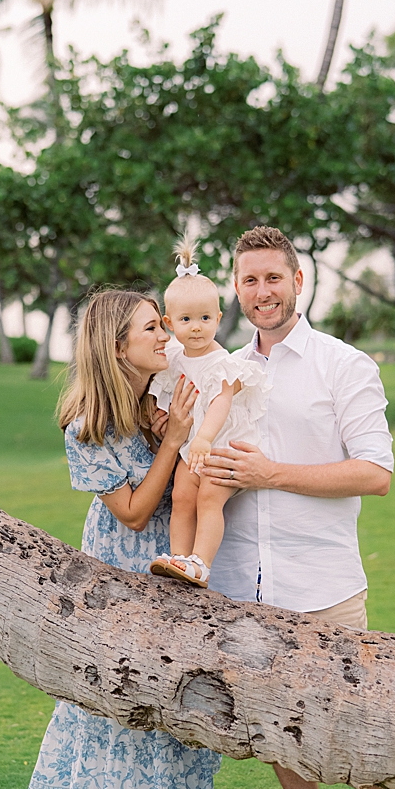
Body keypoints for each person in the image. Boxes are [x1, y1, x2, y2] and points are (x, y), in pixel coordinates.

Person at [198, 225, 395, 789]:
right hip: (244, 580)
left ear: (299, 281)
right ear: (235, 289)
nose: (262, 291)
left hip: (325, 578)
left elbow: (375, 473)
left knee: (357, 717)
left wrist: (272, 473)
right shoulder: (225, 372)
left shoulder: (344, 365)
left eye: (273, 277)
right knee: (275, 724)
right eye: (249, 280)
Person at [23, 288, 243, 789]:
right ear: (117, 346)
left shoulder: (162, 398)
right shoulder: (88, 426)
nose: (166, 334)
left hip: (177, 564)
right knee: (136, 694)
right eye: (152, 329)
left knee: (185, 693)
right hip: (125, 572)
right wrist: (174, 442)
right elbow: (133, 511)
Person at [148, 233, 268, 588]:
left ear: (217, 317)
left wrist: (203, 437)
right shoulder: (173, 359)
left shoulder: (225, 364)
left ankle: (201, 562)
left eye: (204, 318)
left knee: (208, 497)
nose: (196, 327)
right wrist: (158, 415)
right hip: (191, 446)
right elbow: (162, 392)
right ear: (170, 324)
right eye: (186, 320)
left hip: (221, 445)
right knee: (182, 496)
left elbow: (221, 402)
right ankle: (179, 558)